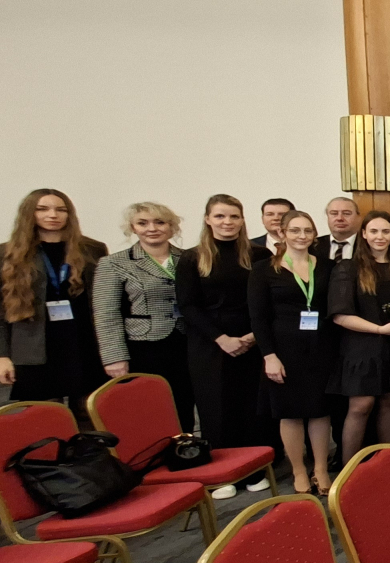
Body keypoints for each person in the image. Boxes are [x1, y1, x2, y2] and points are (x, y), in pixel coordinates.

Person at [176, 194, 275, 499]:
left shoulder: (259, 255)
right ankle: (222, 475)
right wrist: (222, 339)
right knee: (216, 409)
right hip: (210, 343)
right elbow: (188, 306)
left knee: (252, 408)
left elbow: (269, 299)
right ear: (208, 219)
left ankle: (254, 470)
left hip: (252, 339)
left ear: (242, 219)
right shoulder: (192, 258)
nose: (227, 222)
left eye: (233, 216)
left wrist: (253, 336)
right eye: (220, 216)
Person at [250, 211, 336, 495]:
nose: (302, 236)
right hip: (283, 350)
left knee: (320, 410)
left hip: (321, 347)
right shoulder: (263, 270)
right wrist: (269, 356)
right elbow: (258, 317)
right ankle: (298, 470)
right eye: (295, 230)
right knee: (290, 413)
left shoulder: (327, 266)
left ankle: (320, 469)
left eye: (307, 231)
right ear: (282, 233)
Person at [0, 189, 109, 409]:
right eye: (42, 209)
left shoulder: (93, 249)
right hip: (33, 347)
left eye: (61, 210)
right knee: (47, 414)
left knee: (90, 410)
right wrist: (2, 356)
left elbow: (106, 300)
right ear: (29, 213)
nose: (53, 215)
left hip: (83, 343)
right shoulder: (7, 253)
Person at [94, 201, 194, 431]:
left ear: (171, 226)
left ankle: (187, 446)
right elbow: (106, 314)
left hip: (187, 342)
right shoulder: (114, 263)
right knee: (149, 409)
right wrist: (114, 357)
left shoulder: (190, 258)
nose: (152, 228)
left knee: (184, 404)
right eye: (143, 223)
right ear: (133, 227)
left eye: (160, 222)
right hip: (143, 346)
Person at [329, 211, 390, 459]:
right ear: (364, 234)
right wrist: (378, 329)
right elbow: (340, 315)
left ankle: (385, 461)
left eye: (385, 231)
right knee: (361, 405)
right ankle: (349, 468)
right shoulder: (348, 267)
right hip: (361, 346)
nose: (380, 236)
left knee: (389, 402)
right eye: (374, 231)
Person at [315, 197, 360, 264]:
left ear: (358, 217)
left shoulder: (368, 245)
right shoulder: (314, 245)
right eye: (334, 213)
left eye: (346, 213)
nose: (340, 218)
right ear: (327, 216)